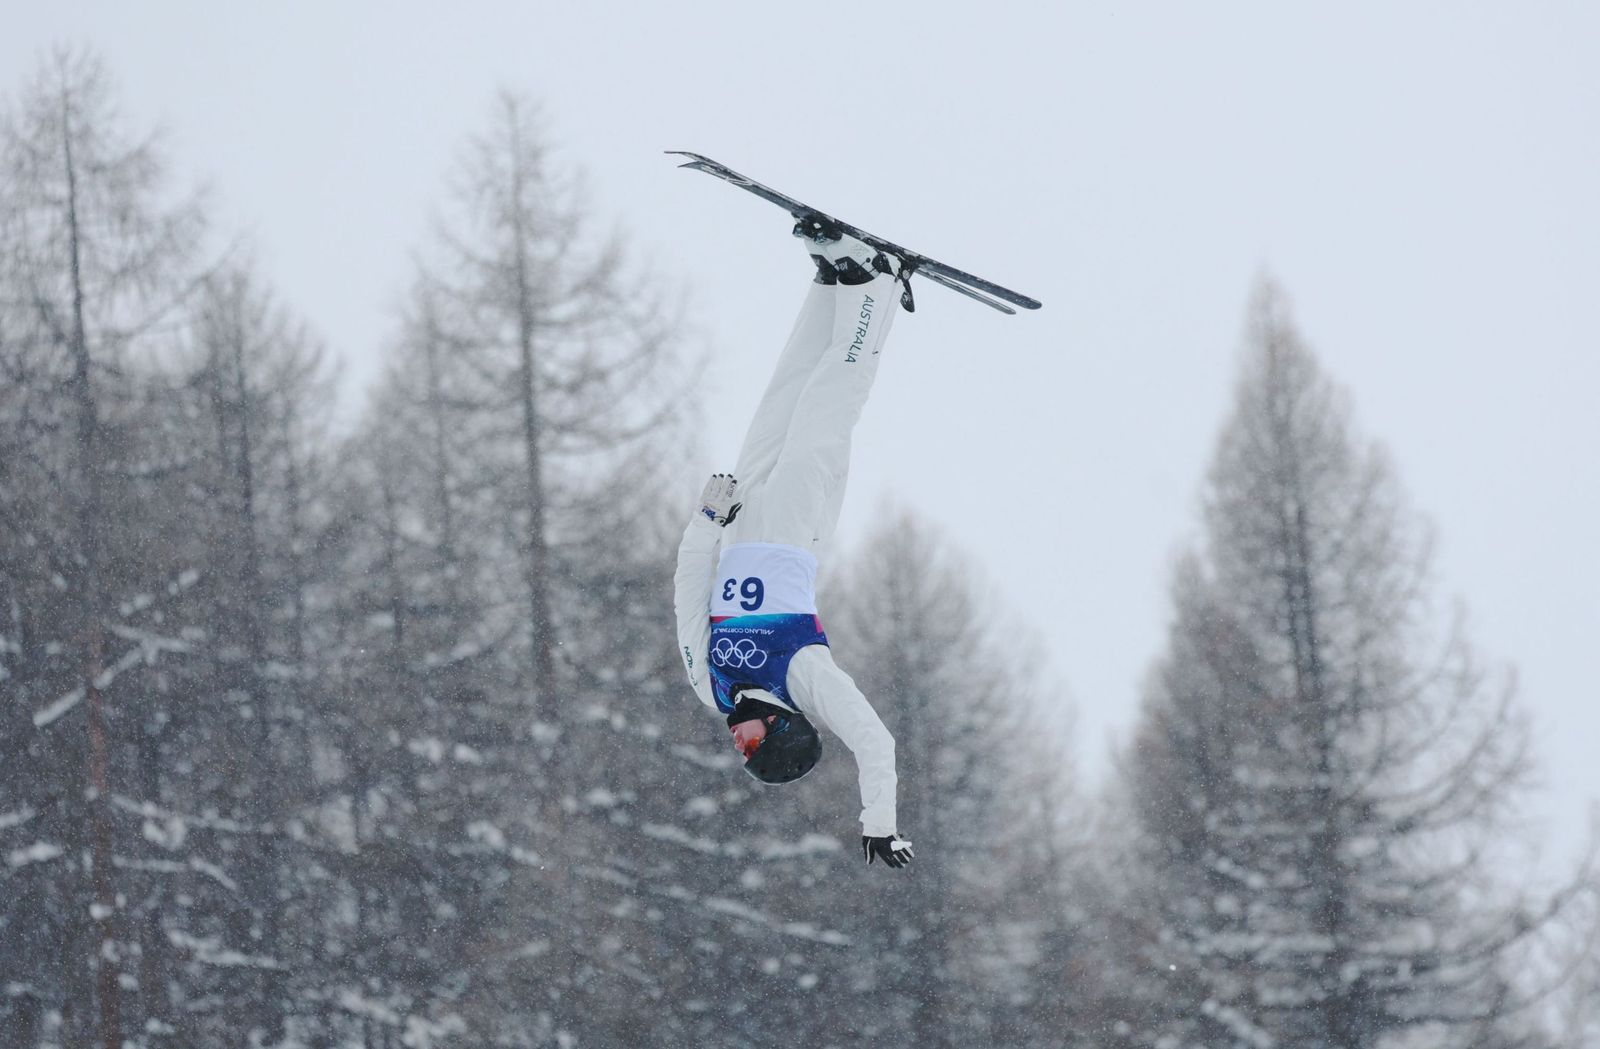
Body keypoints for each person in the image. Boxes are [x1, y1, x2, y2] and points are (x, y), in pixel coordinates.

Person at [673, 223, 915, 870]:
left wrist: (706, 520)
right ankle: (875, 286)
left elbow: (687, 595)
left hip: (742, 520)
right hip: (796, 528)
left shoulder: (711, 683)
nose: (739, 744)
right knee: (826, 408)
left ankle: (833, 282)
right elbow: (874, 739)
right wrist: (880, 823)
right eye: (753, 747)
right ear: (781, 728)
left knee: (784, 393)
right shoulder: (803, 678)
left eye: (743, 752)